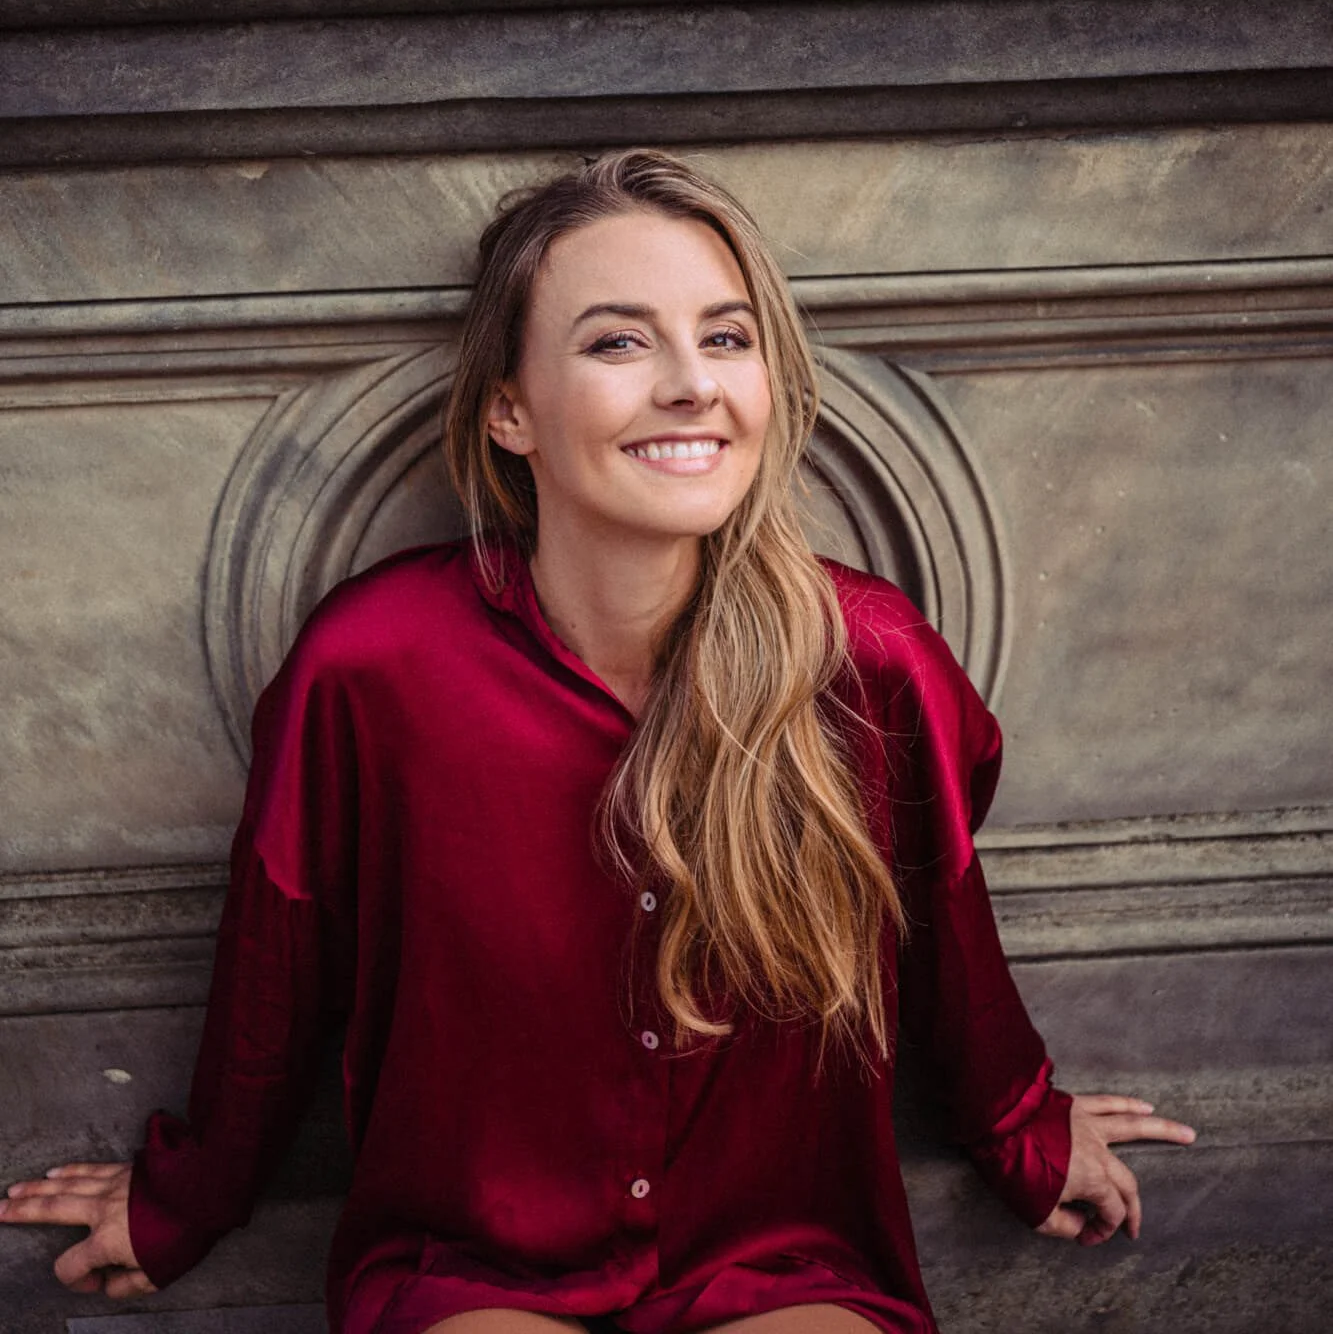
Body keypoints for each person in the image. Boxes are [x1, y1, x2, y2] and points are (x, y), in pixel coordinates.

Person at [0, 150, 1194, 1333]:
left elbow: (941, 914)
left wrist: (1019, 1123)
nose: (690, 383)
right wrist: (185, 1202)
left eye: (726, 338)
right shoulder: (371, 664)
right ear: (508, 408)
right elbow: (278, 962)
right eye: (618, 341)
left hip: (783, 1261)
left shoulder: (869, 658)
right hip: (474, 1265)